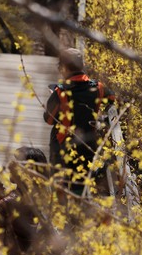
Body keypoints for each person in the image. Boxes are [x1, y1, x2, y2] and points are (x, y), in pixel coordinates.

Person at [43, 48, 115, 194]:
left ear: (65, 67)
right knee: (80, 188)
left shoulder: (60, 92)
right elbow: (113, 100)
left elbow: (49, 119)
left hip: (62, 148)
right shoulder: (98, 87)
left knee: (60, 189)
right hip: (87, 145)